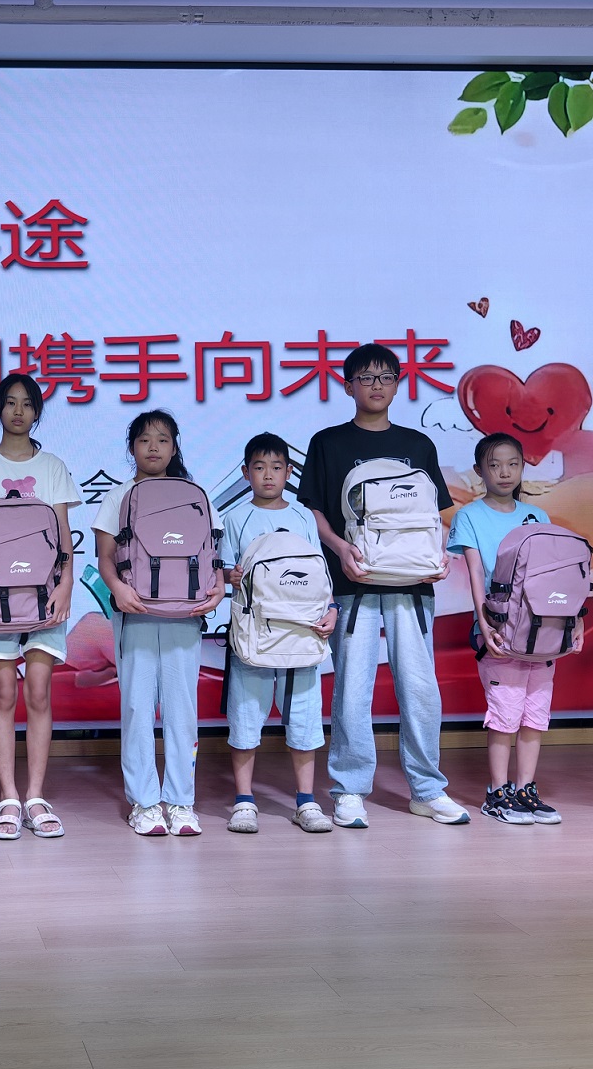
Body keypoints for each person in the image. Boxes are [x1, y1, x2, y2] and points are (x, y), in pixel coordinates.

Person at [299, 344, 470, 828]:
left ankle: (428, 789)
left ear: (398, 384)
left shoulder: (418, 445)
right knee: (353, 688)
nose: (377, 385)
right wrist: (340, 549)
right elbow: (314, 510)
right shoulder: (328, 442)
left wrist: (439, 557)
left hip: (413, 586)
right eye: (366, 377)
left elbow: (433, 514)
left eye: (386, 377)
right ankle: (349, 788)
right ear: (347, 385)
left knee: (420, 689)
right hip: (353, 582)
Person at [0, 373, 81, 841]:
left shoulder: (53, 467)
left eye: (27, 404)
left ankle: (36, 796)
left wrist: (66, 584)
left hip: (45, 594)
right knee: (4, 693)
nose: (18, 411)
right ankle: (8, 797)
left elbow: (64, 536)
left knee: (40, 694)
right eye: (10, 403)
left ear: (37, 412)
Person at [92, 410, 224, 836]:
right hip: (136, 614)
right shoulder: (118, 496)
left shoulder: (195, 495)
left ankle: (181, 802)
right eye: (145, 439)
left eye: (163, 440)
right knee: (137, 707)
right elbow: (105, 557)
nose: (153, 447)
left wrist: (219, 588)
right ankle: (145, 802)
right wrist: (118, 589)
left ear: (174, 447)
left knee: (182, 710)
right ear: (131, 447)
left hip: (186, 616)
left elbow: (213, 554)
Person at [218, 432, 338, 834]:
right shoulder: (235, 518)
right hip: (253, 634)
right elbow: (225, 571)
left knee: (304, 717)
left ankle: (305, 802)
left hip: (301, 632)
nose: (268, 475)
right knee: (245, 716)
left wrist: (331, 609)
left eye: (276, 467)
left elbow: (318, 574)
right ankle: (244, 801)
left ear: (289, 472)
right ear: (245, 473)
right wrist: (229, 575)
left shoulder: (304, 516)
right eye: (259, 467)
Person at [448, 432, 569, 826]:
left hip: (542, 630)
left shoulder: (538, 516)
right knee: (505, 712)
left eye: (513, 464)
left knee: (536, 713)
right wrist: (484, 622)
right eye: (495, 465)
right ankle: (497, 793)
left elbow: (556, 575)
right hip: (500, 628)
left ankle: (525, 790)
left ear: (523, 468)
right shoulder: (469, 516)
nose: (504, 472)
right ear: (479, 470)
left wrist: (573, 621)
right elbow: (475, 573)